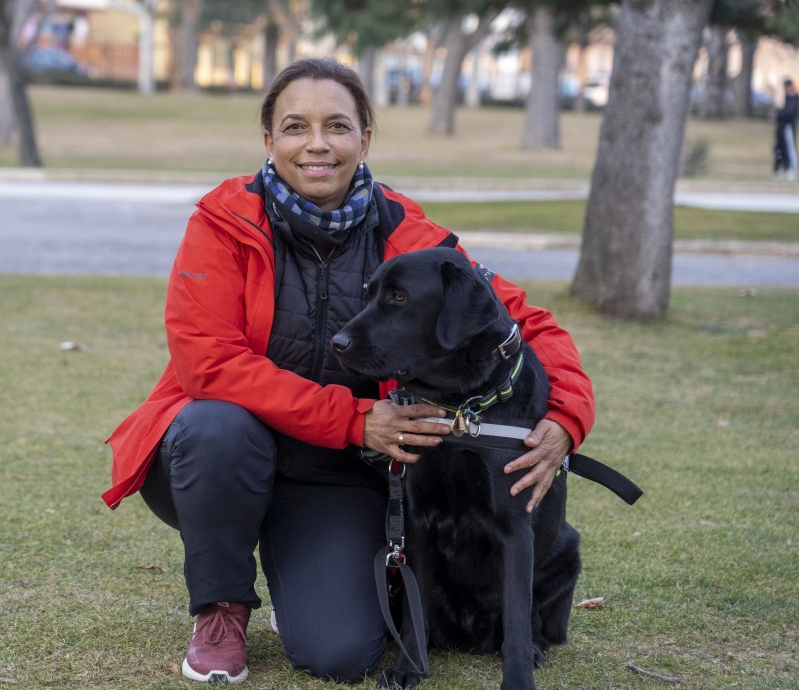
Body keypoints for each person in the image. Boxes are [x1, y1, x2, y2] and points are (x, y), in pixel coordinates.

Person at [102, 57, 594, 684]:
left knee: (341, 655)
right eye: (295, 126)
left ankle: (306, 574)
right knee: (214, 427)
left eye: (337, 126)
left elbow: (526, 324)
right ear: (268, 141)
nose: (316, 144)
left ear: (365, 138)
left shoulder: (409, 236)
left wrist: (566, 418)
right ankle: (220, 609)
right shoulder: (223, 224)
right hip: (221, 462)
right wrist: (357, 419)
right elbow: (208, 364)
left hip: (333, 476)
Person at [772, 78, 798, 180]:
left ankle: (792, 169)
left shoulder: (794, 98)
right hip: (783, 127)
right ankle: (783, 168)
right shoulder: (788, 98)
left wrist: (778, 115)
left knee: (791, 148)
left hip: (789, 127)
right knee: (782, 148)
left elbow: (789, 113)